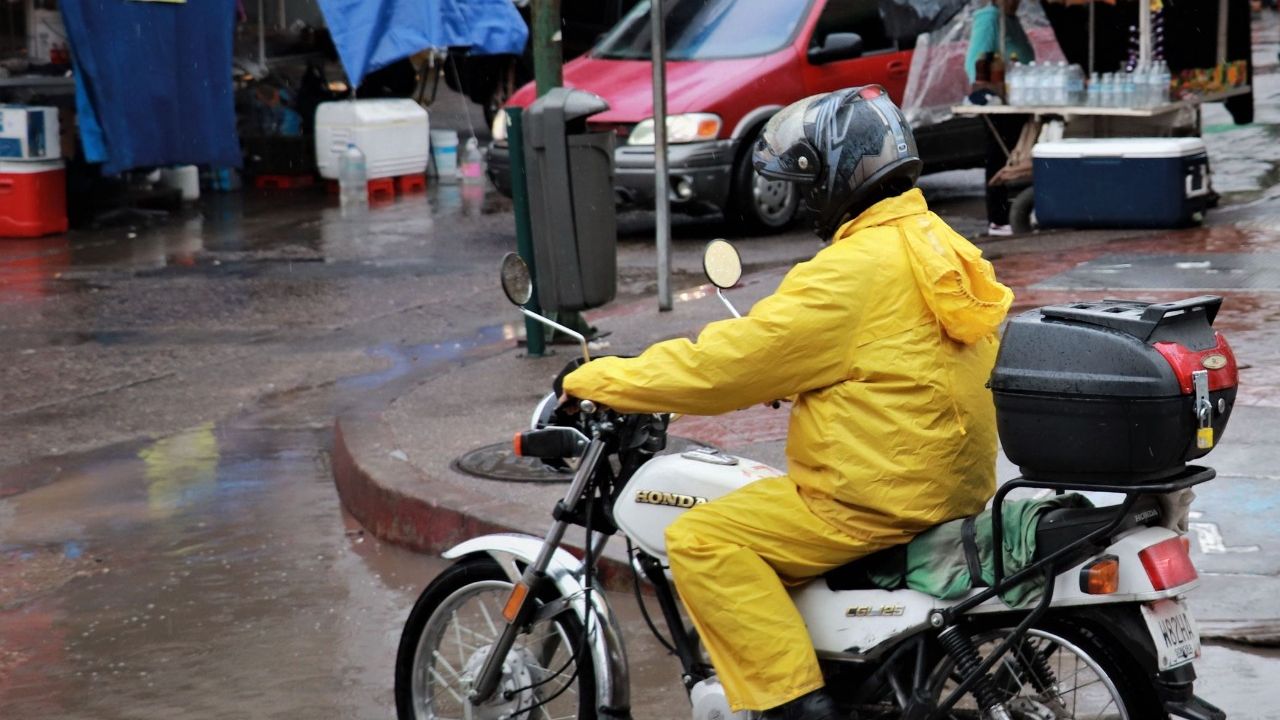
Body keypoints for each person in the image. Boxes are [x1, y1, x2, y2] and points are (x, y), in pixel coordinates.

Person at [561, 87, 1013, 719]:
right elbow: (895, 354)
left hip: (874, 496)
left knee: (701, 538)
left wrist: (597, 378)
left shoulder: (848, 270)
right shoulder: (934, 239)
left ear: (837, 177)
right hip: (951, 484)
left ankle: (795, 706)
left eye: (808, 186)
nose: (803, 204)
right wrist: (801, 377)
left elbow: (725, 369)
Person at [966, 0, 1035, 237]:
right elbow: (976, 58)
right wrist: (988, 92)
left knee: (1015, 153)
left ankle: (1014, 210)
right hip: (996, 99)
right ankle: (998, 217)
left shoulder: (1010, 20)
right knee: (999, 155)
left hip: (1018, 96)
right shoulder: (989, 17)